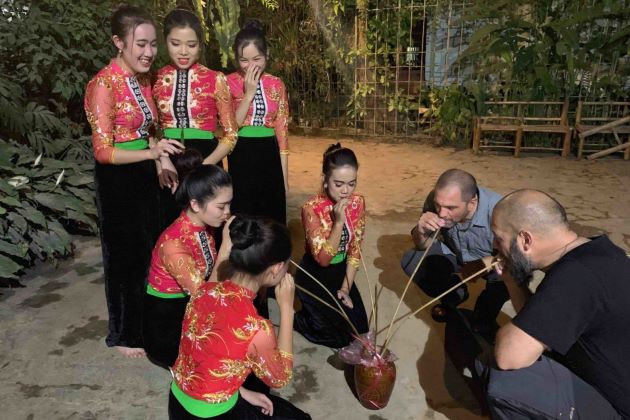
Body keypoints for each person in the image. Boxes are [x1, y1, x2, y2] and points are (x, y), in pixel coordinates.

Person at [476, 189, 630, 419]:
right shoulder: (596, 250)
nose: (496, 247)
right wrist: (512, 281)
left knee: (501, 375)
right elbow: (540, 322)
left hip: (619, 405)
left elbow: (509, 357)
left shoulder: (575, 277)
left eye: (499, 238)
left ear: (525, 240)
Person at [84, 5, 183, 358]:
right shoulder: (102, 85)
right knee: (125, 257)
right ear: (118, 42)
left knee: (150, 251)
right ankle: (124, 333)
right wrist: (151, 155)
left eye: (153, 44)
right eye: (141, 44)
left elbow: (148, 132)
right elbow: (103, 151)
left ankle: (149, 324)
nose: (149, 52)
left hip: (144, 173)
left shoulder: (143, 80)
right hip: (117, 181)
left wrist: (160, 160)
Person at [168, 216, 311, 420]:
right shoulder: (255, 328)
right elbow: (280, 377)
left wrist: (239, 392)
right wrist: (287, 310)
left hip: (178, 405)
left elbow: (207, 360)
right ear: (277, 268)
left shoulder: (204, 292)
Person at [142, 151, 233, 369]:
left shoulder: (204, 225)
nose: (227, 212)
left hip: (190, 307)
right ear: (195, 205)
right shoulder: (174, 243)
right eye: (221, 207)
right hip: (168, 326)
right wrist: (226, 246)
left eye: (229, 205)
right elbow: (203, 299)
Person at [153, 9, 238, 227]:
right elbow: (149, 130)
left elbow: (231, 134)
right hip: (167, 164)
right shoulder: (155, 77)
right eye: (175, 43)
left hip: (207, 160)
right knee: (168, 224)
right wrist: (161, 161)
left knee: (209, 226)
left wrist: (205, 167)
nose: (183, 51)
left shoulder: (216, 79)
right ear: (165, 42)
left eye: (191, 45)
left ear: (200, 45)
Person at [400, 169, 508, 340]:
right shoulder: (435, 200)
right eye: (438, 205)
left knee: (511, 277)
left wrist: (484, 263)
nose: (442, 213)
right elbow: (423, 245)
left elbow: (517, 258)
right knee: (412, 260)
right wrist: (420, 230)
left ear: (472, 203)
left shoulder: (501, 212)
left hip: (494, 261)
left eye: (451, 208)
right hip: (456, 254)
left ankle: (483, 316)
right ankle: (454, 294)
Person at [293, 144, 369, 349]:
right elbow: (323, 260)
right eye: (339, 184)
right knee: (336, 338)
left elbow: (355, 250)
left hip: (340, 270)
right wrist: (338, 223)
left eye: (351, 184)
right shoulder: (312, 208)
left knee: (359, 329)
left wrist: (346, 287)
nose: (346, 191)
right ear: (325, 180)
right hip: (315, 274)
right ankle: (300, 319)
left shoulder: (358, 203)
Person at [226, 20, 289, 225]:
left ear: (267, 55)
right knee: (244, 211)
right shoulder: (228, 82)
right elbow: (231, 127)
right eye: (244, 60)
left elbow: (282, 134)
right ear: (236, 58)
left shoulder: (276, 84)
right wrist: (249, 93)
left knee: (271, 214)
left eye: (257, 58)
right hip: (241, 153)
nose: (251, 66)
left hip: (269, 153)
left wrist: (284, 179)